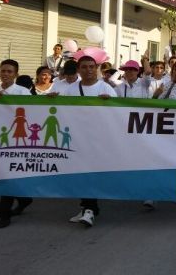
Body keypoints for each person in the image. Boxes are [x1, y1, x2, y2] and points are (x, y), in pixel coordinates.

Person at [54, 56, 117, 227]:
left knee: (90, 172)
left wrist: (110, 103)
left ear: (96, 68)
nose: (88, 70)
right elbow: (62, 111)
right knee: (81, 173)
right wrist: (51, 101)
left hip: (99, 140)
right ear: (79, 69)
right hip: (77, 139)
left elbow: (117, 114)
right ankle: (87, 208)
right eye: (84, 67)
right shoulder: (70, 89)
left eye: (91, 66)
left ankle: (89, 209)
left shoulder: (106, 88)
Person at [0, 60, 33, 228]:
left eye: (9, 71)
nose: (5, 74)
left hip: (18, 139)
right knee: (4, 172)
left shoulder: (23, 92)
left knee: (9, 172)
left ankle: (3, 215)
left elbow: (32, 113)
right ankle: (24, 199)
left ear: (15, 74)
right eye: (3, 71)